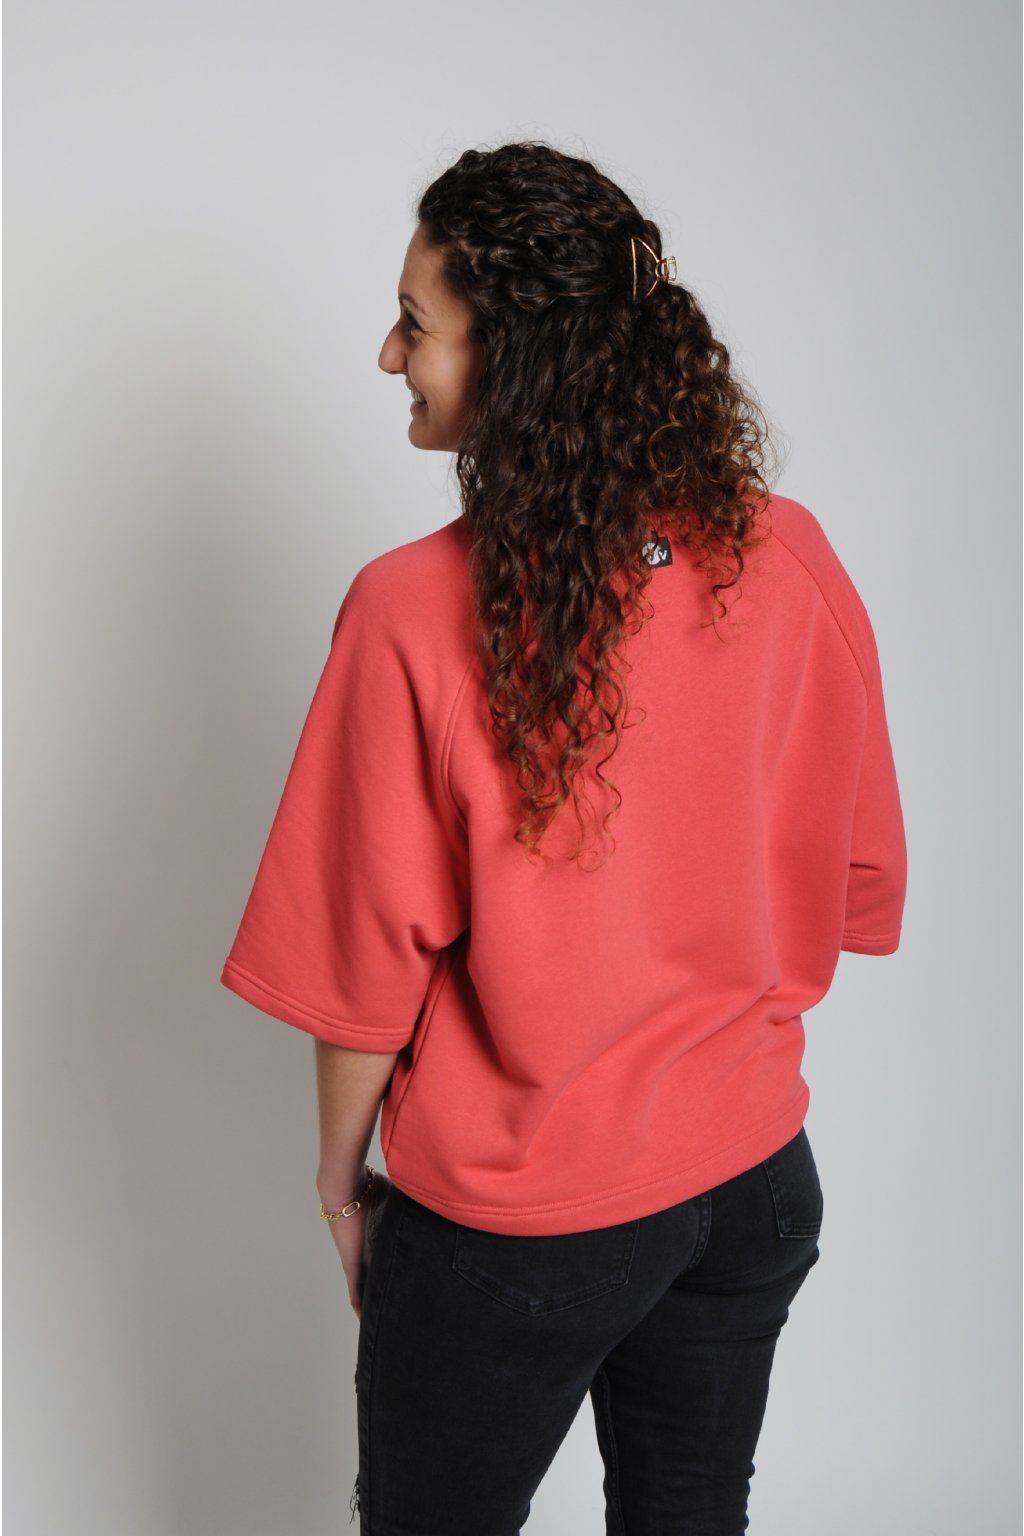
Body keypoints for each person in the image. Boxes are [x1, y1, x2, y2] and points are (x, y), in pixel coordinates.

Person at [219, 141, 908, 1535]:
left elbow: (359, 971)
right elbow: (855, 869)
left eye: (415, 324)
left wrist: (342, 1189)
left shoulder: (412, 614)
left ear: (519, 360)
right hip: (754, 1179)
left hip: (521, 1220)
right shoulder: (788, 554)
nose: (388, 355)